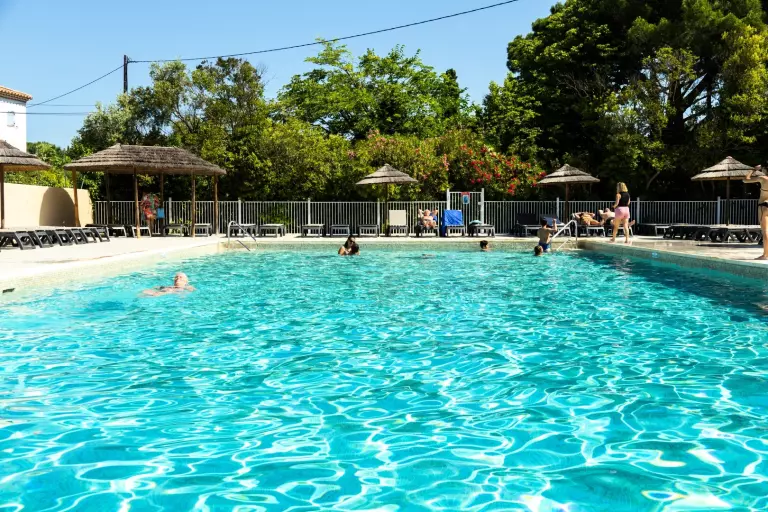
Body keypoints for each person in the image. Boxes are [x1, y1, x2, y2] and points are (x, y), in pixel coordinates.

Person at [743, 165, 768, 260]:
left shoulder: (763, 178)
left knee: (765, 231)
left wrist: (753, 170)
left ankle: (765, 255)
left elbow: (745, 180)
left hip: (764, 205)